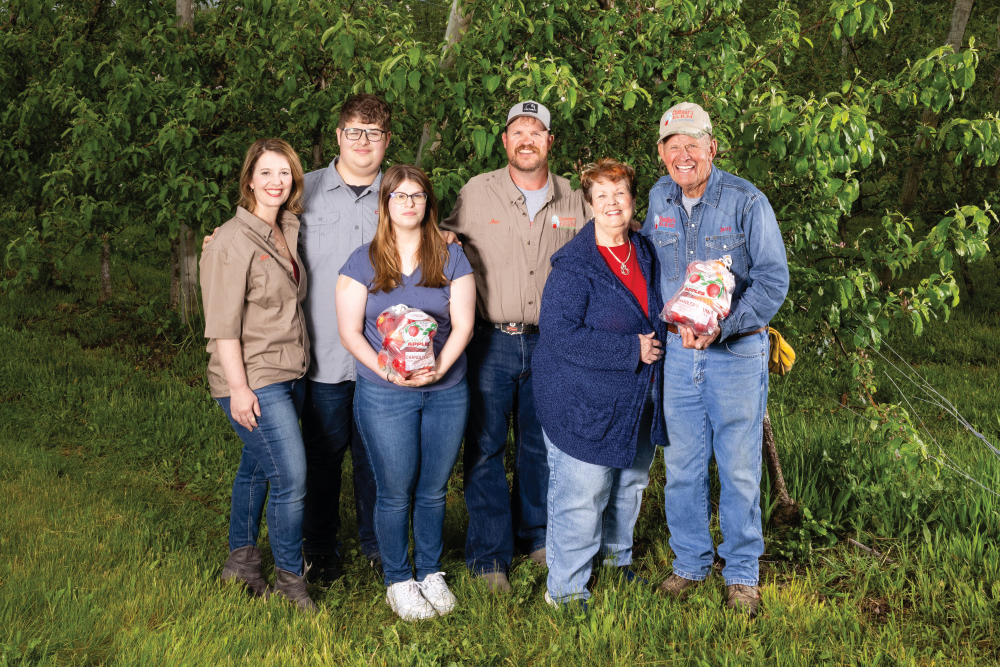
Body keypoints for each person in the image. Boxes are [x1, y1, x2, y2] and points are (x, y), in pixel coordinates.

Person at [641, 102, 789, 616]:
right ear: (661, 153)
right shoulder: (659, 198)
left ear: (712, 147)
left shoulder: (747, 202)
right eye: (672, 145)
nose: (683, 155)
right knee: (682, 466)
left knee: (739, 469)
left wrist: (723, 327)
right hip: (680, 357)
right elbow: (644, 265)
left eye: (693, 144)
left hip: (735, 355)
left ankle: (743, 572)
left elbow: (773, 280)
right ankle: (690, 562)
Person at [441, 101, 591, 592]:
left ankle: (539, 535)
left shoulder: (576, 198)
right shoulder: (476, 193)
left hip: (552, 343)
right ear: (504, 141)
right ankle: (488, 557)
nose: (527, 140)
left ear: (550, 142)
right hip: (490, 342)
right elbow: (437, 239)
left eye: (536, 132)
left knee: (539, 446)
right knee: (485, 448)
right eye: (517, 132)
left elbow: (615, 237)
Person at [336, 165, 476, 620]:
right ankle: (398, 578)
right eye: (399, 196)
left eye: (417, 196)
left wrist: (439, 369)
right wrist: (385, 366)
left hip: (446, 389)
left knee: (434, 489)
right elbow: (350, 331)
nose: (409, 203)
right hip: (385, 392)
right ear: (386, 205)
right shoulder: (363, 260)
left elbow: (465, 324)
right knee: (395, 491)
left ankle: (431, 571)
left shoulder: (451, 257)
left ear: (428, 203)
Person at [533, 158, 667, 608]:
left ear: (633, 201)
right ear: (589, 205)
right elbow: (558, 331)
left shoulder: (645, 251)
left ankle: (614, 563)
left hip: (635, 399)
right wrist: (631, 350)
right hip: (580, 401)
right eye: (602, 196)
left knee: (628, 482)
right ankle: (566, 591)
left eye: (620, 194)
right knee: (583, 493)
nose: (613, 203)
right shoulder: (576, 265)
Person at [200, 138, 316, 611]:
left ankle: (241, 565)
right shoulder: (231, 240)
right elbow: (222, 326)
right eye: (266, 173)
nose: (276, 182)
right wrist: (240, 389)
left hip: (291, 372)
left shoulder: (286, 228)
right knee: (291, 476)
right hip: (252, 378)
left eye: (284, 173)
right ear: (249, 179)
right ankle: (292, 584)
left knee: (255, 470)